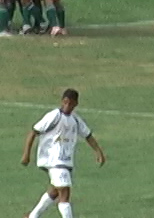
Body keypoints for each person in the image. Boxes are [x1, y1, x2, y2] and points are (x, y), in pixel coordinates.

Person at [21, 89, 106, 218]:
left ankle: (32, 216)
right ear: (62, 101)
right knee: (65, 194)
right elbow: (34, 131)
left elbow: (88, 135)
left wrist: (98, 152)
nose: (67, 106)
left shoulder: (75, 120)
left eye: (70, 104)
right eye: (65, 102)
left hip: (66, 162)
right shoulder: (54, 116)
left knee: (55, 191)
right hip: (54, 161)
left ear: (75, 104)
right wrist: (26, 154)